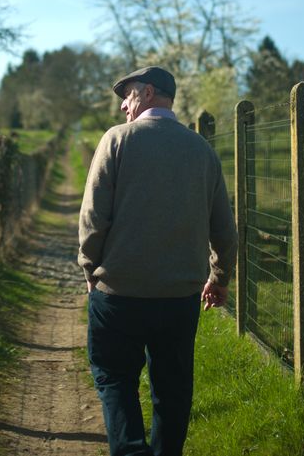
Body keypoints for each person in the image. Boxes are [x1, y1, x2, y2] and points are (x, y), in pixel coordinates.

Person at [78, 65, 238, 456]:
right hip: (178, 297)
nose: (122, 107)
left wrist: (90, 269)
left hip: (119, 294)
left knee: (115, 380)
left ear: (148, 93)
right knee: (172, 389)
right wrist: (219, 278)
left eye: (127, 96)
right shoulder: (202, 151)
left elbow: (93, 218)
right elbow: (224, 229)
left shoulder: (116, 141)